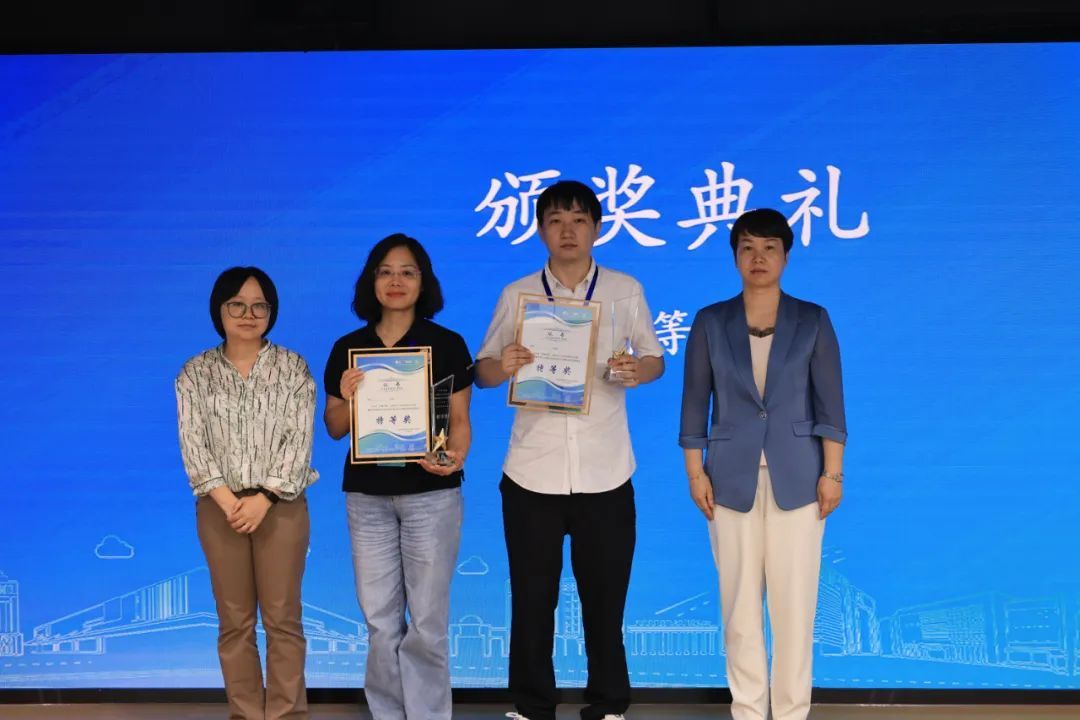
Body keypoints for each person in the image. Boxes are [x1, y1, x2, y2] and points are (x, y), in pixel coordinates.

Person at [475, 180, 665, 720]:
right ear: (540, 230)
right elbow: (483, 372)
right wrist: (505, 365)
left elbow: (654, 358)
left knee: (605, 600)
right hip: (531, 471)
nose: (568, 231)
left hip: (606, 470)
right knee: (532, 600)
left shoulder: (624, 289)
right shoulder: (518, 294)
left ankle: (608, 703)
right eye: (556, 220)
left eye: (579, 220)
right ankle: (532, 705)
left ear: (597, 228)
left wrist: (636, 370)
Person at [679, 208, 847, 720]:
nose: (759, 258)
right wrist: (695, 472)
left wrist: (832, 473)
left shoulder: (812, 319)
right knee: (739, 608)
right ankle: (748, 710)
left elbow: (831, 406)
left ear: (786, 256)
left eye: (770, 248)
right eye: (748, 248)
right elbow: (694, 403)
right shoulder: (711, 321)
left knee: (795, 609)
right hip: (728, 479)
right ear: (735, 257)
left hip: (801, 478)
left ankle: (792, 712)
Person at [323, 234, 473, 720]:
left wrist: (455, 457)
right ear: (371, 281)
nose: (396, 281)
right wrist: (348, 397)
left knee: (428, 621)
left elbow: (460, 420)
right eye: (386, 271)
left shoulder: (447, 344)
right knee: (380, 622)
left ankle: (428, 715)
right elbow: (334, 427)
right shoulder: (349, 348)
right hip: (367, 497)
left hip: (432, 494)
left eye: (407, 272)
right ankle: (388, 713)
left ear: (423, 282)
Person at [176, 266, 318, 720]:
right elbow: (193, 445)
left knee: (283, 619)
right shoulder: (194, 372)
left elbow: (299, 442)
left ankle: (287, 714)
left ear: (271, 312)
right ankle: (245, 714)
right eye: (236, 305)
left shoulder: (293, 367)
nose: (248, 314)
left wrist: (265, 499)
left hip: (281, 506)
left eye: (259, 306)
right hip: (220, 509)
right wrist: (228, 501)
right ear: (219, 310)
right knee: (234, 622)